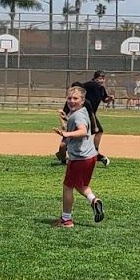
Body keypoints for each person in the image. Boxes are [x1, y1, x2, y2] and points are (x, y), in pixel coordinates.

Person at [54, 85, 105, 227]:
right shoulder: (81, 112)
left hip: (80, 158)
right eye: (69, 98)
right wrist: (66, 119)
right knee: (81, 185)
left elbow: (82, 130)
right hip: (90, 156)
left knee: (67, 187)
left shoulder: (77, 115)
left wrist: (66, 134)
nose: (71, 101)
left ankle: (66, 220)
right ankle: (94, 200)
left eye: (75, 98)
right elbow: (78, 123)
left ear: (82, 100)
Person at [83, 71, 113, 165]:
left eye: (103, 78)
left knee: (95, 132)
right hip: (85, 113)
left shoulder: (102, 89)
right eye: (99, 78)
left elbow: (104, 100)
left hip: (92, 114)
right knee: (97, 131)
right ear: (95, 78)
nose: (101, 80)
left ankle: (94, 151)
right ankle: (94, 152)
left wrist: (109, 99)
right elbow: (80, 87)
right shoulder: (91, 85)